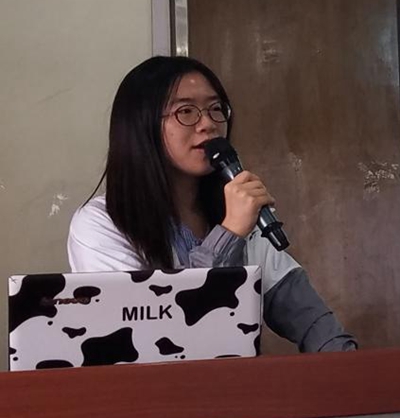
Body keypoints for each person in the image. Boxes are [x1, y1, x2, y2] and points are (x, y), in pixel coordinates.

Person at [68, 56, 356, 353]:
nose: (208, 124)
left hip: (237, 383)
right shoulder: (102, 223)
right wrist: (229, 233)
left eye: (216, 109)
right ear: (141, 125)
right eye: (186, 111)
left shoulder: (240, 215)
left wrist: (350, 366)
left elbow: (311, 321)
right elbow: (153, 339)